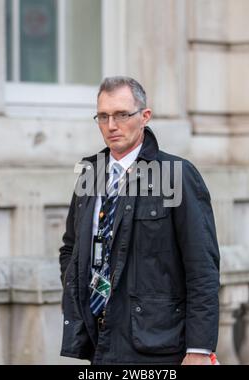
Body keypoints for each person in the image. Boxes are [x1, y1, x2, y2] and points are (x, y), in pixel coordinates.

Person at [59, 76, 220, 365]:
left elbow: (202, 269)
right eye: (103, 116)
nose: (111, 125)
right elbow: (70, 249)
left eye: (122, 114)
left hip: (158, 346)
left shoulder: (176, 175)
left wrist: (199, 349)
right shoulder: (90, 173)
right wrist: (80, 298)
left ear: (145, 116)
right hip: (100, 341)